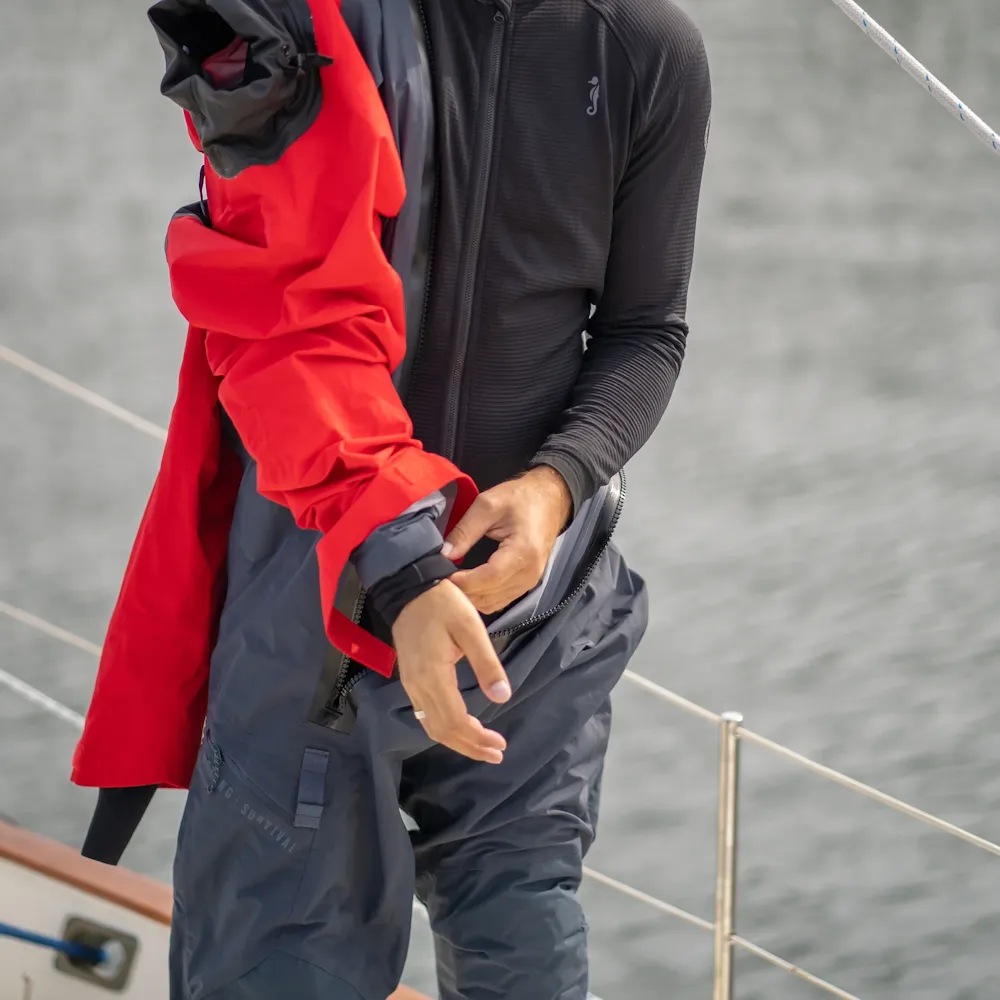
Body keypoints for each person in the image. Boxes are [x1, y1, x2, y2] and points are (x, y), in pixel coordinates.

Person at [73, 0, 711, 996]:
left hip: (530, 616)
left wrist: (557, 484)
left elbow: (646, 329)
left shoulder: (645, 49)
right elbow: (275, 323)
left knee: (526, 941)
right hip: (322, 593)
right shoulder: (294, 22)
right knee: (279, 961)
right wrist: (401, 565)